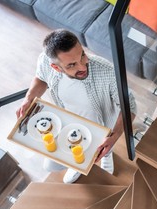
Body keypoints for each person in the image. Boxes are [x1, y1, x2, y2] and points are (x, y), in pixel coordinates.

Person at [16, 29, 137, 183]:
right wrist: (29, 98)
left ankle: (107, 154)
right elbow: (40, 78)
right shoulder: (45, 61)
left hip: (103, 127)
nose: (83, 66)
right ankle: (76, 163)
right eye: (72, 65)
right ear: (56, 67)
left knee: (104, 145)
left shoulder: (107, 72)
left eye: (82, 55)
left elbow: (131, 106)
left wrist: (114, 137)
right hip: (68, 124)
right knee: (52, 165)